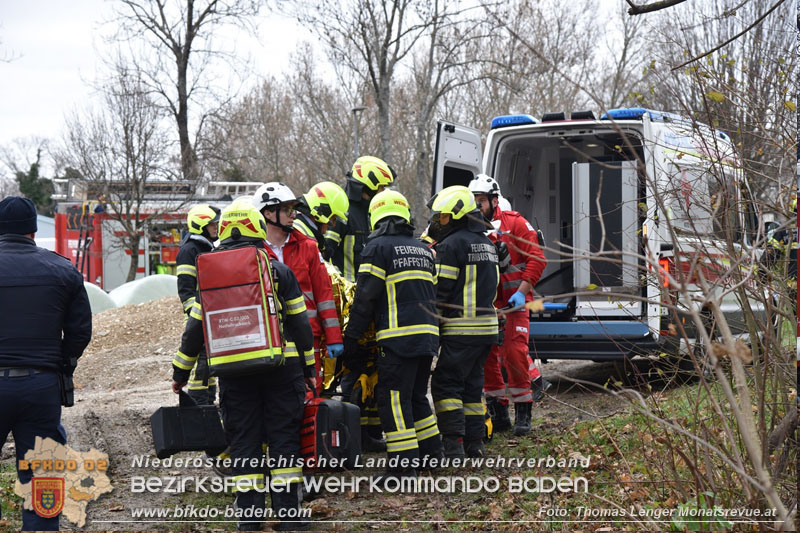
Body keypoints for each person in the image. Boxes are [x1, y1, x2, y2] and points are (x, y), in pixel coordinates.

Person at [171, 198, 314, 531]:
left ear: (223, 231)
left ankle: (249, 519)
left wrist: (180, 373)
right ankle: (289, 517)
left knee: (244, 442)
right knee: (283, 439)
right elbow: (300, 326)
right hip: (282, 370)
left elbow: (194, 331)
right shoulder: (278, 270)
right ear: (257, 229)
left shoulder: (209, 276)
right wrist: (308, 368)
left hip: (234, 376)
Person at [0, 196, 92, 531]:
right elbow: (81, 330)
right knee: (44, 473)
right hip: (41, 385)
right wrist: (61, 366)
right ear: (32, 230)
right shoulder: (62, 269)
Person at [342, 190, 443, 477]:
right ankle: (431, 455)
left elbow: (365, 298)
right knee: (416, 397)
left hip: (398, 337)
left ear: (377, 216)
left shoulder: (378, 249)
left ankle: (403, 468)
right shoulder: (423, 249)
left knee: (394, 400)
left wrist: (352, 337)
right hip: (427, 337)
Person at [469, 174, 547, 436]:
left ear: (493, 200)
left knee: (514, 354)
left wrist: (522, 291)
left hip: (514, 303)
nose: (477, 206)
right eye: (474, 201)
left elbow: (537, 259)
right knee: (488, 359)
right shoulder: (468, 228)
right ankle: (499, 412)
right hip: (485, 307)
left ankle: (523, 411)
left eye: (481, 201)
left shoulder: (514, 223)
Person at [427, 186, 499, 459]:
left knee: (447, 384)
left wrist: (432, 322)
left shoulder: (451, 245)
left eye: (443, 217)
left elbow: (442, 290)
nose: (438, 222)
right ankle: (475, 443)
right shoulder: (487, 243)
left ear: (456, 216)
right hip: (487, 329)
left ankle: (453, 444)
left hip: (461, 328)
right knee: (472, 386)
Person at [252, 182, 344, 394]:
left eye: (292, 209)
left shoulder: (308, 246)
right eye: (286, 210)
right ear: (267, 213)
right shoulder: (253, 249)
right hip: (269, 340)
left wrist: (333, 337)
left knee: (311, 396)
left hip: (307, 339)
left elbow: (324, 294)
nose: (293, 215)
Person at [175, 203, 220, 405]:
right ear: (200, 225)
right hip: (199, 317)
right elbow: (186, 289)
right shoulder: (189, 250)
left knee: (209, 364)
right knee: (201, 362)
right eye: (212, 224)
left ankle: (208, 401)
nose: (216, 227)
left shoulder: (206, 248)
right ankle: (199, 404)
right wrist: (196, 314)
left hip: (208, 316)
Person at [325, 156, 395, 282]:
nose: (383, 191)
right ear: (370, 184)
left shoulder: (371, 213)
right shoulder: (343, 211)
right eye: (381, 187)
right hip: (347, 294)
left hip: (367, 292)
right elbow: (325, 253)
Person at [293, 181, 349, 260]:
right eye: (333, 218)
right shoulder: (299, 235)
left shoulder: (314, 236)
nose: (333, 225)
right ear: (323, 212)